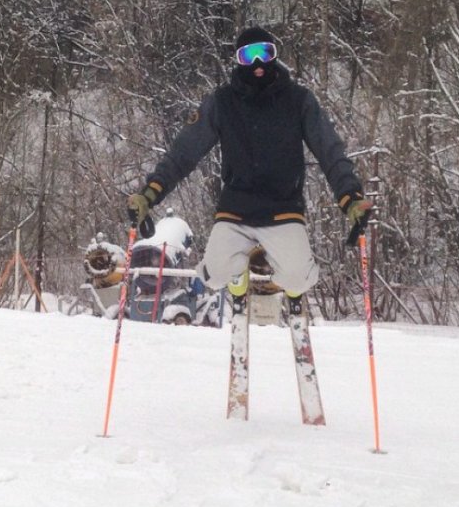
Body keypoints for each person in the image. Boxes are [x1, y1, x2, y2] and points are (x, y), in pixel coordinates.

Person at [127, 25, 371, 316]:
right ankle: (238, 282)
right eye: (248, 56)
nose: (257, 64)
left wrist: (350, 196)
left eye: (265, 53)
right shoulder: (222, 102)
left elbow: (330, 150)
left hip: (282, 207)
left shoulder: (298, 100)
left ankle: (292, 290)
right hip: (236, 208)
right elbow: (184, 152)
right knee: (214, 276)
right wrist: (151, 192)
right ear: (238, 61)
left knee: (300, 278)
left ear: (275, 58)